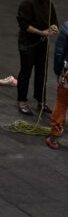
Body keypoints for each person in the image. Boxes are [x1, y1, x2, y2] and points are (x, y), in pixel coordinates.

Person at [16, 0, 59, 117]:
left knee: (42, 73)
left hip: (42, 43)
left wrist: (53, 27)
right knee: (26, 72)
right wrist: (43, 32)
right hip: (28, 44)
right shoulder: (26, 4)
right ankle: (22, 101)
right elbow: (24, 25)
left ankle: (41, 100)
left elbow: (53, 20)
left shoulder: (48, 4)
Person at [45, 17, 68, 149]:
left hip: (67, 74)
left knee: (62, 103)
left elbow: (60, 52)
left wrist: (57, 70)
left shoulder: (66, 28)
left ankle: (54, 137)